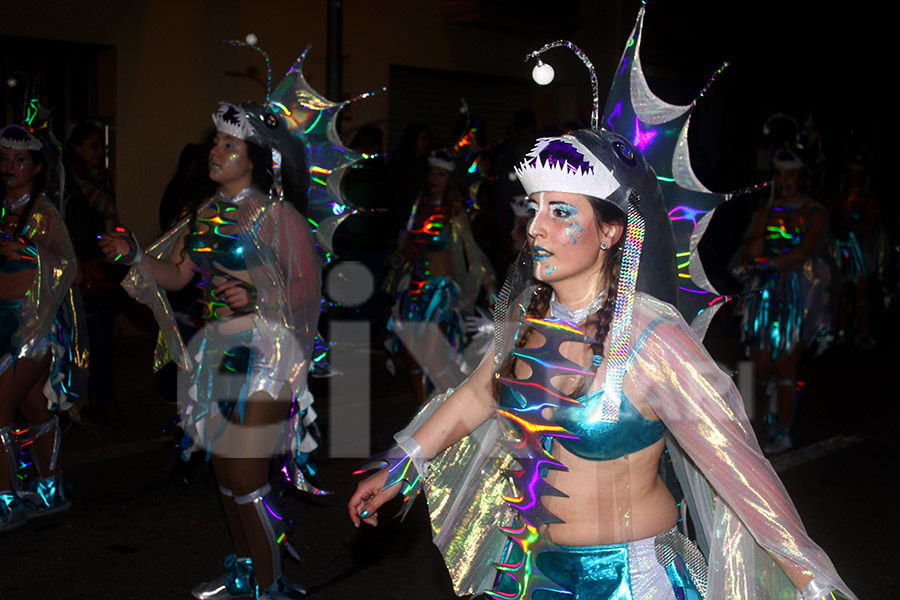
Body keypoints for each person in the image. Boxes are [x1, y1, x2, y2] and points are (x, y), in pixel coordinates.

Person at [350, 130, 854, 600]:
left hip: (632, 581)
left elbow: (740, 471)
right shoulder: (528, 317)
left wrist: (812, 580)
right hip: (534, 573)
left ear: (611, 231)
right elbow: (482, 392)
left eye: (561, 212)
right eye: (535, 208)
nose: (536, 228)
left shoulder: (652, 339)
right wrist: (405, 462)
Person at [100, 102, 319, 598]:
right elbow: (178, 275)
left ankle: (271, 585)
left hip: (270, 357)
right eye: (214, 143)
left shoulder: (277, 216)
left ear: (256, 158)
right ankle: (244, 573)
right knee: (224, 470)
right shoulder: (200, 213)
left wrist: (261, 295)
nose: (214, 153)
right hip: (217, 355)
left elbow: (308, 292)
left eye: (228, 145)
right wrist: (136, 255)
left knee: (245, 471)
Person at [1, 124, 81, 532]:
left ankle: (5, 502)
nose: (9, 165)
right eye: (3, 158)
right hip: (2, 324)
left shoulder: (43, 213)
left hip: (31, 328)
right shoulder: (1, 208)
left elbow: (69, 267)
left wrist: (27, 250)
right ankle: (51, 489)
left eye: (19, 159)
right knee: (33, 407)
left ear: (35, 167)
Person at [738, 148, 829, 454]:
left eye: (790, 175)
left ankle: (785, 430)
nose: (784, 180)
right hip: (766, 292)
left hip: (800, 293)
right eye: (779, 174)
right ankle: (770, 407)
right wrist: (753, 261)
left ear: (802, 177)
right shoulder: (768, 208)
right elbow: (755, 246)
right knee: (761, 365)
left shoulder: (815, 212)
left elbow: (806, 251)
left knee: (786, 361)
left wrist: (771, 265)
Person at [387, 149, 494, 405]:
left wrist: (489, 287)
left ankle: (446, 407)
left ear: (449, 179)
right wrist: (399, 259)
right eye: (432, 173)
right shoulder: (418, 207)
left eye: (442, 175)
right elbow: (409, 246)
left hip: (441, 292)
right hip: (415, 288)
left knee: (434, 353)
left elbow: (471, 252)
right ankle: (420, 407)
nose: (435, 179)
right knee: (412, 353)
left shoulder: (453, 213)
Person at [63, 121, 127, 427]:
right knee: (76, 339)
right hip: (72, 267)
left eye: (100, 146)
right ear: (75, 148)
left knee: (101, 336)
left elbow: (108, 219)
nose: (99, 152)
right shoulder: (65, 179)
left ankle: (106, 400)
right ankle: (81, 401)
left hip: (98, 266)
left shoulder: (100, 179)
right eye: (92, 146)